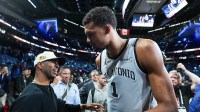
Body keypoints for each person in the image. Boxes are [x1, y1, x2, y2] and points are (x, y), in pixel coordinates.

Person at [82, 6, 178, 112]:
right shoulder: (99, 60)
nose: (87, 40)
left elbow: (169, 106)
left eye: (90, 34)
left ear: (107, 29)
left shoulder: (143, 49)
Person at [9, 51, 104, 112]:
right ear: (40, 65)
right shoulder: (30, 97)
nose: (57, 66)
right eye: (53, 62)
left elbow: (59, 105)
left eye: (57, 63)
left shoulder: (47, 88)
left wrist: (84, 106)